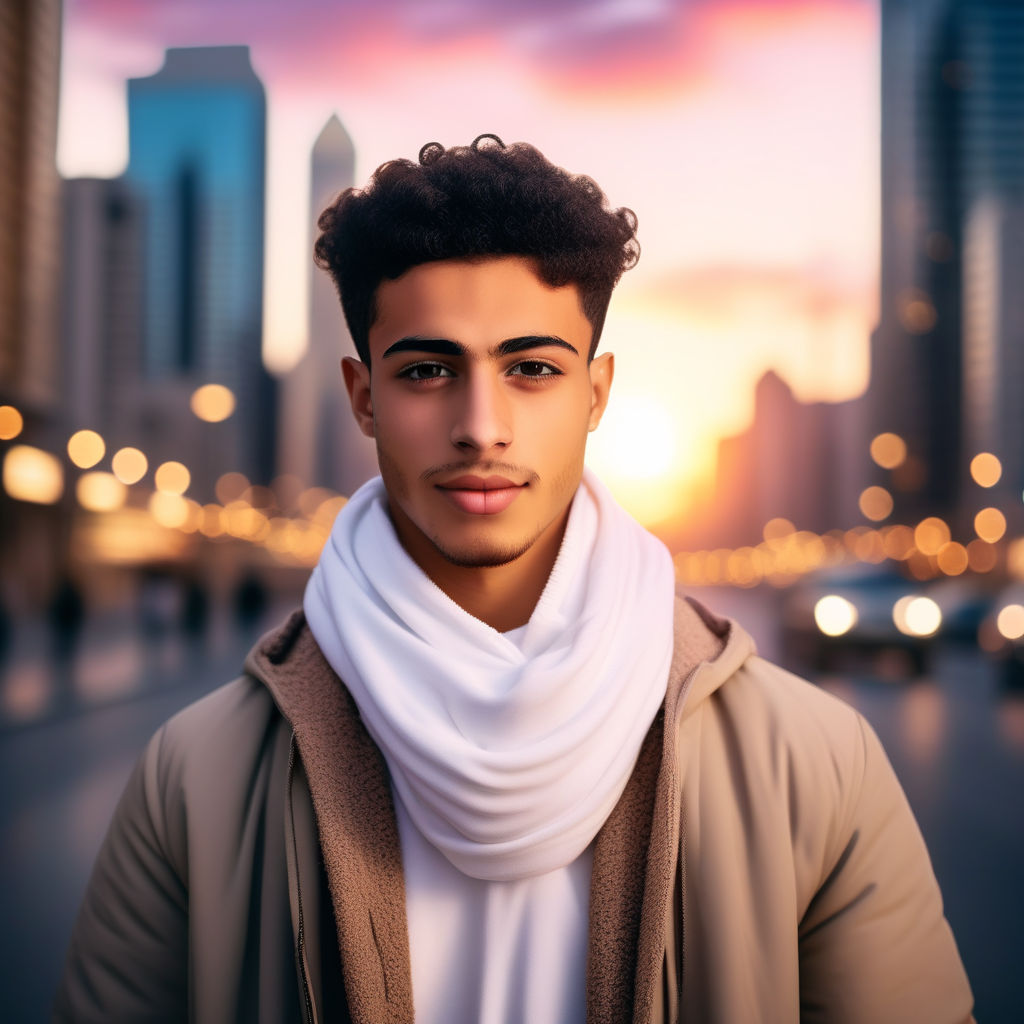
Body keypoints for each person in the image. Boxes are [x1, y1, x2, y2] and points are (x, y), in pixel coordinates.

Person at [54, 135, 974, 1023]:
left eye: (532, 368)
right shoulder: (197, 777)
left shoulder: (811, 764)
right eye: (427, 371)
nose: (481, 426)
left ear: (596, 394)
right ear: (363, 396)